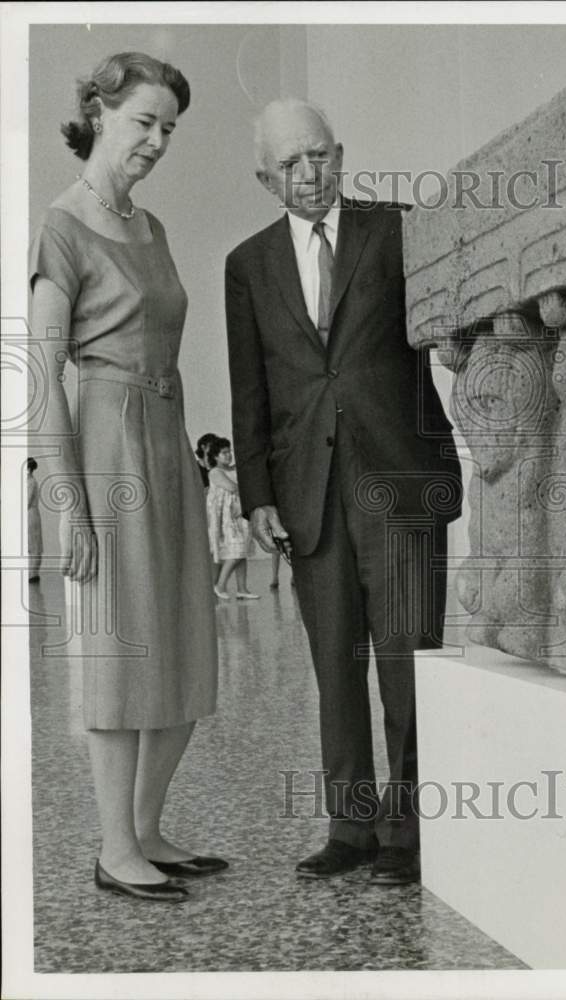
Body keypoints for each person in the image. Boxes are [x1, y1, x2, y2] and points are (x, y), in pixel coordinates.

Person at [225, 98, 461, 885]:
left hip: (396, 479)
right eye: (290, 163)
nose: (308, 173)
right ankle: (350, 829)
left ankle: (407, 833)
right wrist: (257, 492)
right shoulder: (247, 265)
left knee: (404, 660)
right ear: (267, 177)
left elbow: (443, 323)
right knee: (335, 666)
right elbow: (250, 388)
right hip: (308, 491)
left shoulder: (395, 231)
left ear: (341, 153)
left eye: (319, 155)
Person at [29, 52, 225, 904]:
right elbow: (41, 378)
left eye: (169, 130)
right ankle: (113, 848)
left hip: (168, 437)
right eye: (144, 121)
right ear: (99, 113)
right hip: (106, 441)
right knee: (118, 649)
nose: (156, 141)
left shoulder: (153, 230)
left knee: (184, 639)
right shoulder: (61, 228)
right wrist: (65, 504)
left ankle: (147, 828)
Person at [206, 436, 260, 600]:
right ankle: (220, 585)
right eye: (224, 453)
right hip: (227, 519)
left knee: (242, 552)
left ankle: (242, 588)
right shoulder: (215, 472)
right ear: (215, 456)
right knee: (235, 551)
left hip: (240, 515)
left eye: (229, 452)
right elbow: (232, 487)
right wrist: (246, 492)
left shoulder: (234, 470)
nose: (228, 455)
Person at [27, 457, 43, 584]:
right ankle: (31, 573)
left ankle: (33, 573)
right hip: (29, 514)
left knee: (34, 544)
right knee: (31, 543)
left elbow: (26, 501)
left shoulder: (31, 482)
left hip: (30, 514)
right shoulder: (28, 482)